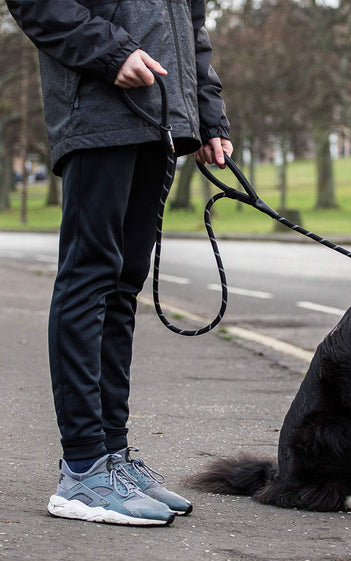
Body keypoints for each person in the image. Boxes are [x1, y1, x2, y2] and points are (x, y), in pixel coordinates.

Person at [6, 0, 232, 526]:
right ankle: (83, 469)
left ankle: (112, 455)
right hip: (98, 112)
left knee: (122, 288)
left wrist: (208, 112)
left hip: (162, 120)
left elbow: (191, 29)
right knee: (89, 281)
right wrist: (110, 53)